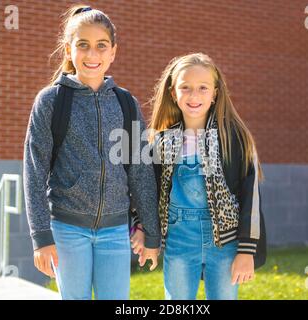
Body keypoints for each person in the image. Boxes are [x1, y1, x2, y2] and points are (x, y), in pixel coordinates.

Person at [23, 5, 160, 300]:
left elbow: (141, 170)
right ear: (69, 49)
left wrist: (151, 230)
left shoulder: (126, 103)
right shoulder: (51, 101)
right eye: (82, 45)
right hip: (67, 230)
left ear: (113, 52)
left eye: (101, 46)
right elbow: (34, 172)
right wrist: (41, 237)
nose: (92, 55)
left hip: (114, 232)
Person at [148, 53, 266, 300]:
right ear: (173, 93)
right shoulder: (162, 141)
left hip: (225, 244)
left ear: (215, 93)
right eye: (185, 87)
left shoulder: (234, 138)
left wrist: (246, 251)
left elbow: (251, 198)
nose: (194, 95)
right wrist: (147, 234)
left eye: (203, 88)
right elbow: (149, 193)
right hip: (179, 240)